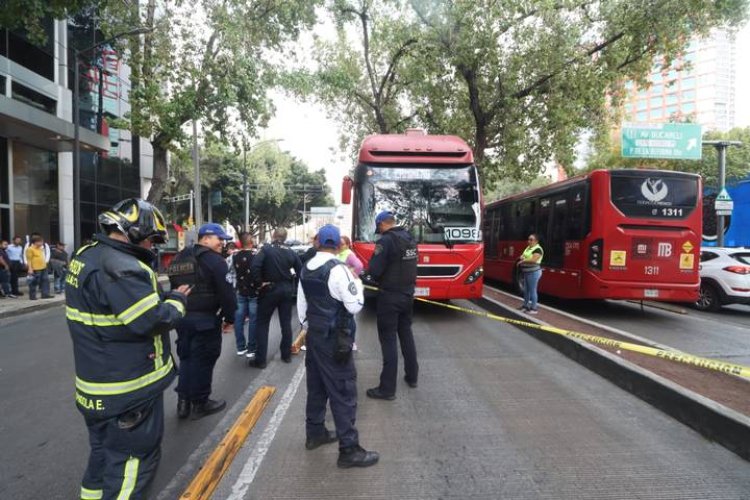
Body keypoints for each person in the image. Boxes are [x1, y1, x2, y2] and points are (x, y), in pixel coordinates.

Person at [65, 198, 190, 500]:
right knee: (132, 468)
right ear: (134, 233)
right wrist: (176, 300)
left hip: (95, 389)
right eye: (151, 238)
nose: (153, 245)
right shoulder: (124, 268)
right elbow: (150, 321)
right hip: (128, 393)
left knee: (102, 459)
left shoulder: (86, 255)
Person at [297, 224, 379, 468]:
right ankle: (349, 449)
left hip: (314, 337)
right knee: (343, 391)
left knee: (317, 386)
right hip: (336, 341)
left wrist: (308, 328)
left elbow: (302, 309)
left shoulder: (306, 268)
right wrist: (359, 285)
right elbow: (354, 306)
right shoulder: (339, 269)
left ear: (317, 242)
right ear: (338, 245)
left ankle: (315, 433)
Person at [168, 223, 237, 420]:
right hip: (206, 320)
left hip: (182, 318)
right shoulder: (215, 261)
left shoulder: (179, 257)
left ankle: (183, 402)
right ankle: (200, 403)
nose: (222, 243)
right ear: (206, 239)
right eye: (219, 239)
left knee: (187, 358)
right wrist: (230, 318)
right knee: (204, 360)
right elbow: (227, 294)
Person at [365, 211, 419, 401]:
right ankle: (412, 377)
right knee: (406, 334)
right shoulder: (410, 238)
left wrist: (368, 274)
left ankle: (387, 389)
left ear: (381, 225)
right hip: (407, 294)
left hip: (390, 296)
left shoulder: (386, 241)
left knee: (388, 341)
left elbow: (375, 270)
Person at [250, 227, 302, 368]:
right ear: (285, 238)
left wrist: (259, 282)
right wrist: (294, 286)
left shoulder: (266, 249)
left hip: (269, 289)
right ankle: (286, 356)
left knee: (262, 324)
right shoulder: (291, 252)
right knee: (286, 323)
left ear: (273, 235)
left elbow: (254, 266)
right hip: (286, 290)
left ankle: (260, 360)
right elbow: (300, 270)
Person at [233, 234, 260, 359]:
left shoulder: (234, 256)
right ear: (250, 242)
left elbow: (230, 273)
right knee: (253, 321)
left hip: (240, 291)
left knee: (239, 320)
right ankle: (251, 348)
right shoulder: (256, 256)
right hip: (254, 292)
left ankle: (240, 347)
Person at [338, 235, 364, 350]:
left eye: (342, 244)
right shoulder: (339, 253)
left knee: (349, 316)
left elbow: (359, 266)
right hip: (340, 288)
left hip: (348, 288)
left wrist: (350, 274)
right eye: (339, 243)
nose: (340, 246)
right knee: (343, 316)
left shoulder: (349, 254)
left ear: (348, 244)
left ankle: (352, 342)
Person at [517, 233, 544, 314]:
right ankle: (525, 306)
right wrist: (521, 257)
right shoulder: (528, 248)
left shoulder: (538, 249)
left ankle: (534, 308)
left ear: (536, 241)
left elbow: (534, 260)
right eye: (528, 239)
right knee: (526, 290)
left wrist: (523, 260)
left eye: (531, 240)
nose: (529, 241)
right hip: (527, 272)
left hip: (534, 273)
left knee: (532, 290)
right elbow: (524, 255)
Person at [26, 235, 53, 300]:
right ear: (36, 242)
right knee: (34, 282)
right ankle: (32, 296)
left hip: (43, 267)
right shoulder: (30, 249)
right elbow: (29, 260)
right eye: (41, 242)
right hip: (35, 268)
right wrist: (30, 268)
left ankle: (45, 294)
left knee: (45, 280)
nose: (42, 243)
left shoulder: (41, 249)